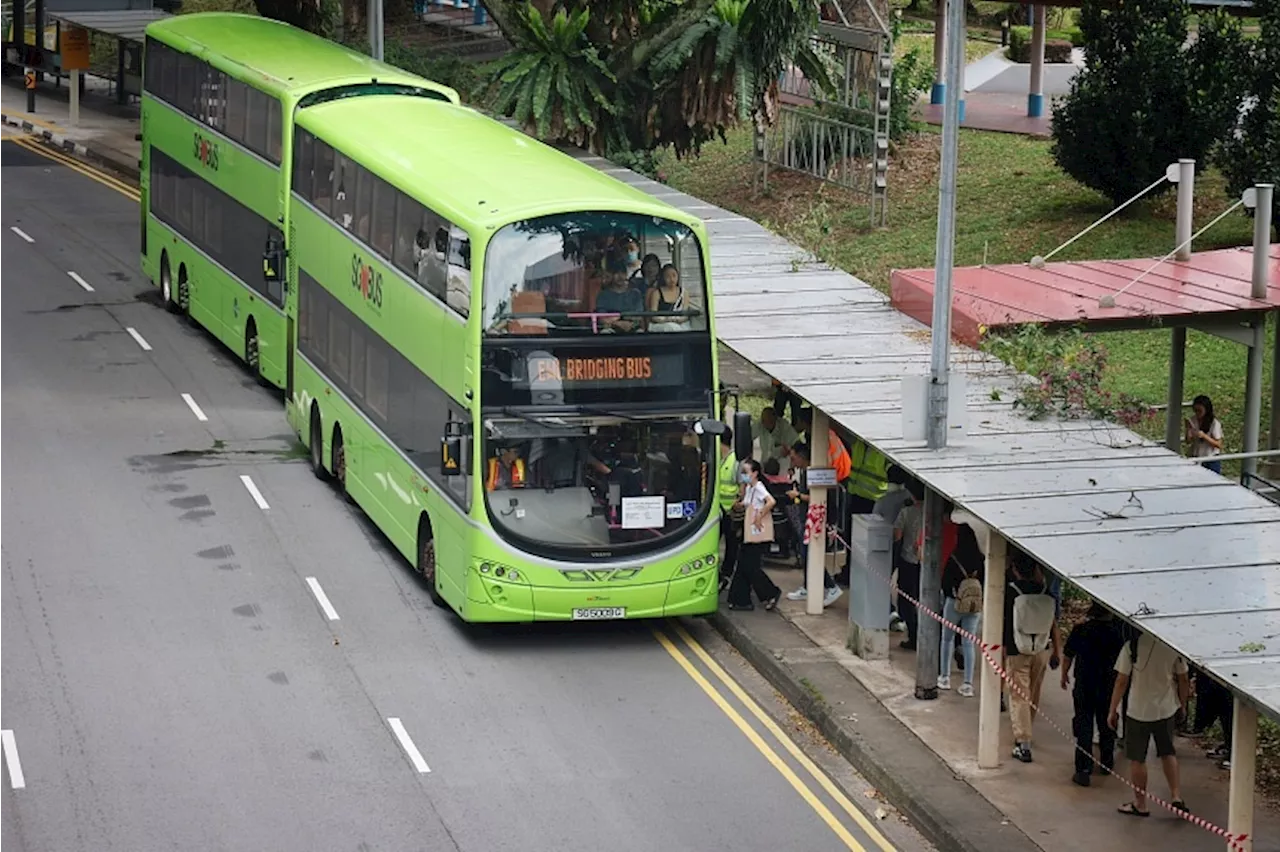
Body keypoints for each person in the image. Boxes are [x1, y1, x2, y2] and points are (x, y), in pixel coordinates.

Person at [1110, 632, 1191, 817]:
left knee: (1138, 758)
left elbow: (1121, 680)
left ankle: (1141, 804)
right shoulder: (1172, 646)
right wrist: (1182, 704)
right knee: (1167, 752)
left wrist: (1113, 709)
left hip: (1138, 710)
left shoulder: (1132, 647)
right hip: (1165, 708)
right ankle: (1176, 795)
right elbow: (1183, 678)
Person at [1060, 601, 1125, 786]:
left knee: (1084, 724)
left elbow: (1068, 654)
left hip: (1084, 683)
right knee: (1107, 722)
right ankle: (1106, 761)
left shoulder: (1081, 629)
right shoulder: (1117, 633)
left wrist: (1064, 674)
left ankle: (1083, 768)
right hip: (1108, 685)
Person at [1005, 556, 1057, 764]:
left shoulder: (1011, 591)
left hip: (1017, 649)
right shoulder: (1045, 592)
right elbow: (1054, 622)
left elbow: (1005, 622)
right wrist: (1057, 651)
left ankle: (1023, 742)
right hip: (1042, 649)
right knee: (1034, 693)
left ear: (1015, 569)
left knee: (1018, 695)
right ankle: (1028, 730)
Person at [783, 442, 843, 607]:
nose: (792, 462)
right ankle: (808, 586)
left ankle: (831, 586)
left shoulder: (814, 473)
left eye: (794, 458)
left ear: (802, 457)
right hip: (806, 517)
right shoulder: (803, 472)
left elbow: (817, 497)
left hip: (815, 520)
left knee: (811, 554)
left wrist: (798, 495)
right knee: (805, 554)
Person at [727, 459, 782, 612]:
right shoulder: (750, 488)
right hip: (749, 532)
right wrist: (742, 490)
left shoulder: (759, 487)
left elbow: (771, 502)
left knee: (750, 566)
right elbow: (745, 503)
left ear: (755, 473)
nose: (743, 476)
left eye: (746, 473)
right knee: (743, 564)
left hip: (757, 533)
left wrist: (759, 516)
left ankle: (771, 592)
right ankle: (740, 600)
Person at [938, 522, 983, 697]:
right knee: (968, 643)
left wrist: (953, 594)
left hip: (954, 603)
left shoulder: (954, 557)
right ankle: (968, 683)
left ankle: (945, 677)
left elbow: (945, 582)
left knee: (947, 639)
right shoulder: (980, 560)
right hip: (974, 606)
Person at [893, 479, 925, 649]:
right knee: (924, 601)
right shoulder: (931, 513)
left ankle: (913, 636)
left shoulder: (906, 512)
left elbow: (897, 536)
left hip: (908, 561)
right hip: (926, 565)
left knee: (907, 600)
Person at [716, 428, 743, 592]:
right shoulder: (717, 458)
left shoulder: (736, 461)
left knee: (732, 545)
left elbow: (744, 481)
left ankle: (726, 575)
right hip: (717, 510)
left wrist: (739, 500)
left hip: (732, 511)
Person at [1185, 394, 1224, 474]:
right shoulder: (1193, 420)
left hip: (1210, 458)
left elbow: (1219, 444)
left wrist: (1204, 436)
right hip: (1196, 456)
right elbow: (1188, 441)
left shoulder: (1214, 423)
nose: (1197, 413)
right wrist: (1188, 429)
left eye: (1200, 411)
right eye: (1195, 410)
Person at [645, 263, 690, 332]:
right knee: (670, 327)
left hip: (680, 324)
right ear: (663, 278)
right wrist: (666, 320)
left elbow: (685, 314)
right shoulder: (656, 293)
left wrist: (678, 320)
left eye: (674, 275)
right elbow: (653, 315)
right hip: (661, 324)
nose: (671, 279)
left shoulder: (684, 293)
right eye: (668, 277)